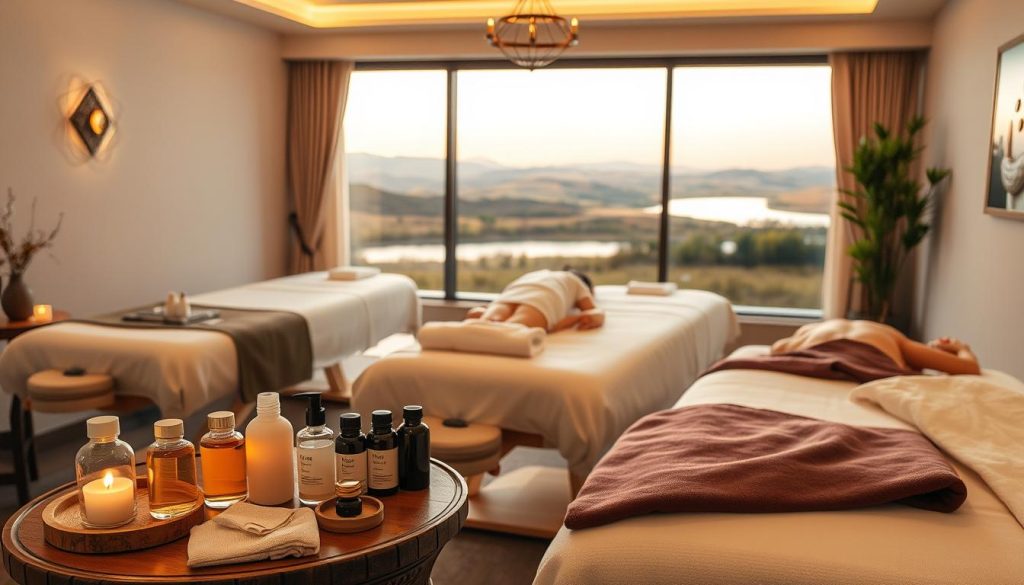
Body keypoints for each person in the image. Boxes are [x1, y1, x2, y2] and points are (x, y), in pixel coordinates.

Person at [771, 319, 980, 375]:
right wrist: (962, 348)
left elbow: (776, 350)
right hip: (871, 360)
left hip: (812, 356)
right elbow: (968, 368)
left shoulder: (809, 329)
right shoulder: (892, 336)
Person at [466, 268, 605, 332]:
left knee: (485, 326)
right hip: (541, 300)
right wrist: (581, 318)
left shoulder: (538, 273)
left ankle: (482, 317)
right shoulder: (576, 281)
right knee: (507, 331)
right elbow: (592, 312)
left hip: (510, 296)